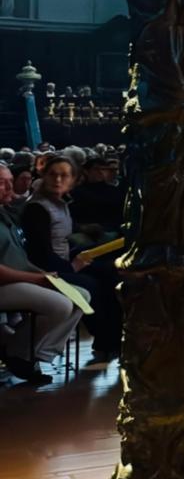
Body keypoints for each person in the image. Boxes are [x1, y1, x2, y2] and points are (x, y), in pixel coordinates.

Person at [21, 155, 119, 364]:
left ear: (73, 179)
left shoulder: (61, 203)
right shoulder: (37, 208)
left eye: (64, 175)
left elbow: (63, 235)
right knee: (91, 285)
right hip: (45, 270)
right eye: (53, 174)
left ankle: (112, 339)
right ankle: (107, 340)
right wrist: (73, 266)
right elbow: (40, 255)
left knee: (110, 272)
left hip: (62, 262)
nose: (58, 180)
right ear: (43, 176)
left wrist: (86, 235)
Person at [0, 186, 80, 384]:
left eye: (10, 181)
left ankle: (35, 353)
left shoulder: (7, 214)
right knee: (60, 305)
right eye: (2, 182)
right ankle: (18, 353)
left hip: (21, 277)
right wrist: (36, 278)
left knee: (81, 296)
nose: (9, 187)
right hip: (5, 283)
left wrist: (41, 275)